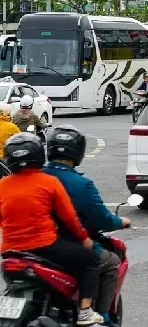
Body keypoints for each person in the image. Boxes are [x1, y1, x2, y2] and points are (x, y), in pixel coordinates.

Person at [0, 133, 105, 326]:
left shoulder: (3, 185)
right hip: (44, 245)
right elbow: (70, 217)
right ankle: (85, 312)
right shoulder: (49, 182)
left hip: (10, 251)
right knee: (91, 261)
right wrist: (84, 239)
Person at [42, 125, 131, 327]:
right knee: (111, 262)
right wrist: (121, 222)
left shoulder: (36, 177)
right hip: (62, 244)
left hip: (26, 245)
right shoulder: (80, 184)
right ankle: (100, 318)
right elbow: (101, 219)